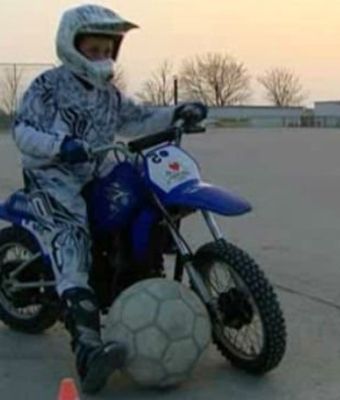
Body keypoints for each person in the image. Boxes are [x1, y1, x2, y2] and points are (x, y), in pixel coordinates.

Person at [12, 4, 206, 394]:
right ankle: (87, 349)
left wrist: (177, 112)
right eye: (93, 49)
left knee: (141, 196)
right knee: (72, 236)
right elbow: (23, 130)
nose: (101, 56)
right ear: (72, 46)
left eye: (107, 49)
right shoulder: (47, 87)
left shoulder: (109, 95)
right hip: (54, 176)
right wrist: (59, 146)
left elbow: (139, 118)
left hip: (97, 169)